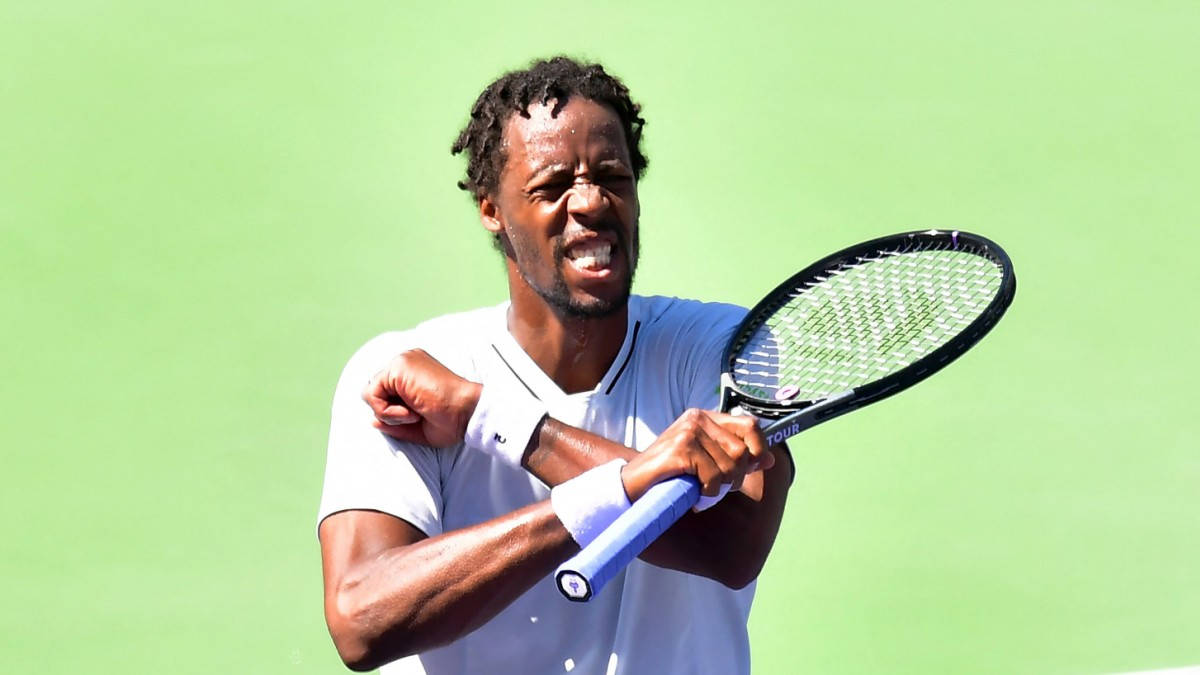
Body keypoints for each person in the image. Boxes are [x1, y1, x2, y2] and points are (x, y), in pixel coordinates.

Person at [317, 56, 793, 674]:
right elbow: (362, 621)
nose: (591, 201)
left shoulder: (724, 347)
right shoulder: (402, 374)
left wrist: (486, 417)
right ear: (492, 209)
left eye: (613, 177)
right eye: (552, 186)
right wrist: (635, 480)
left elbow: (731, 546)